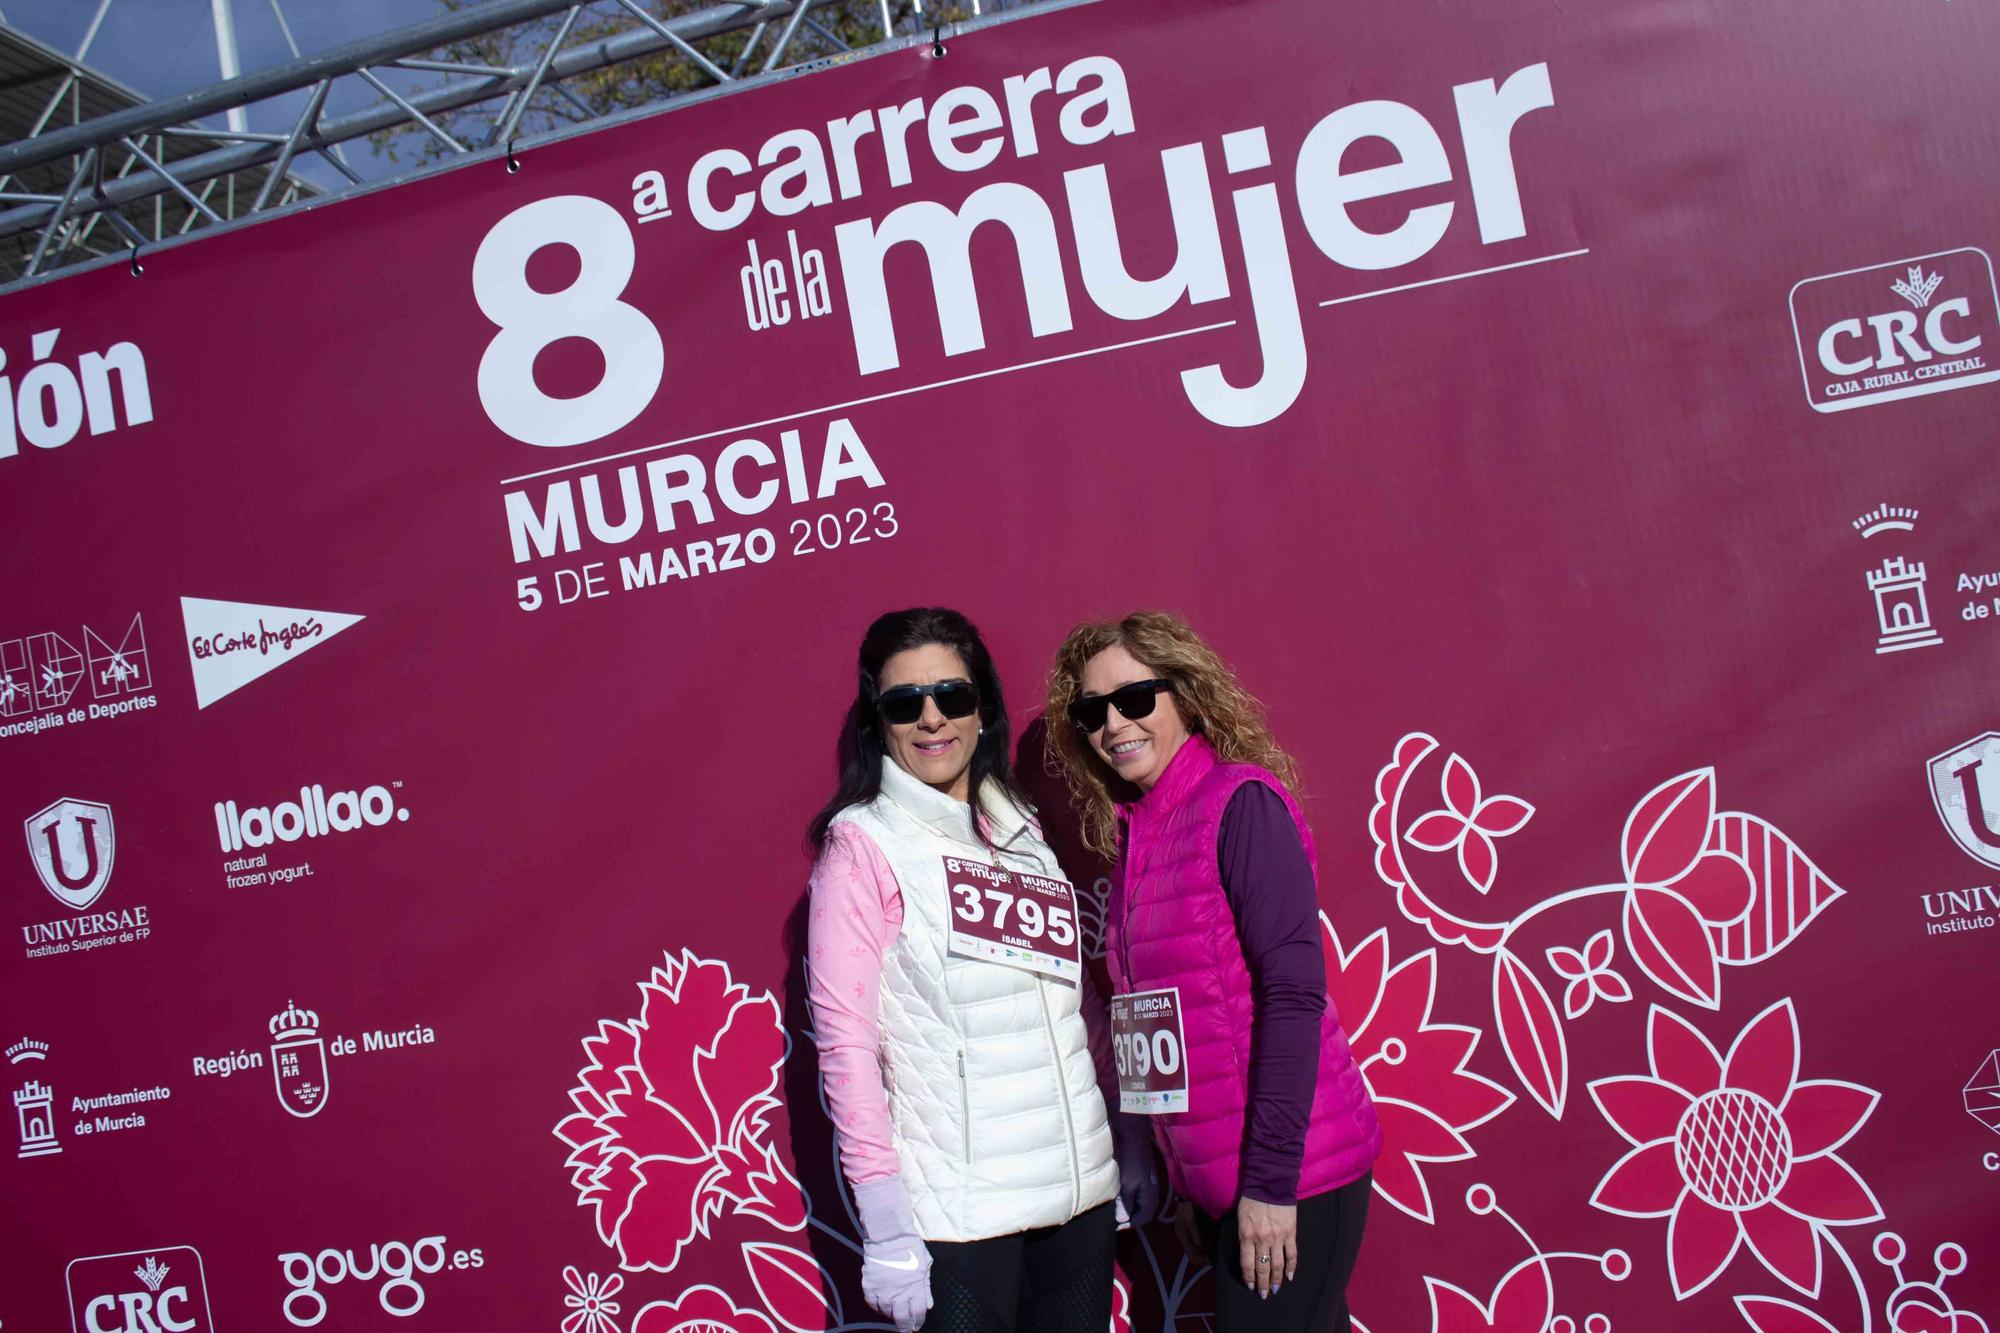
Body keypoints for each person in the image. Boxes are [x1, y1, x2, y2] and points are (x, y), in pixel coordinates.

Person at [805, 607, 1145, 1333]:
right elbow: (846, 1049)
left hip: (1077, 1200)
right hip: (962, 1222)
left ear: (982, 706)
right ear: (880, 721)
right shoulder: (862, 845)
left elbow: (1076, 1004)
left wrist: (1125, 1132)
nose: (932, 719)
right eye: (905, 703)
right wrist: (888, 1224)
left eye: (952, 696)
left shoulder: (1023, 830)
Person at [1045, 610, 1382, 1333]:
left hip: (1295, 1175)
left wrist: (1265, 1186)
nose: (1113, 724)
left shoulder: (1240, 802)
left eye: (1135, 698)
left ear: (1187, 697)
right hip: (1228, 1183)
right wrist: (1194, 1186)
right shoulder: (1143, 833)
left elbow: (1292, 996)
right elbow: (1168, 1024)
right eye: (1091, 710)